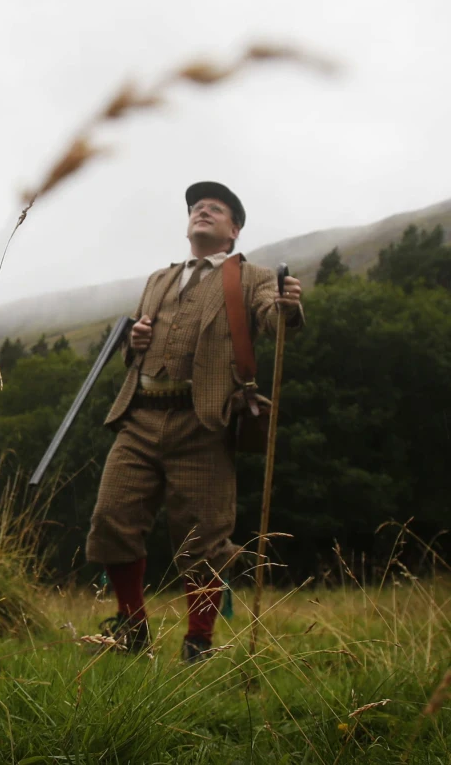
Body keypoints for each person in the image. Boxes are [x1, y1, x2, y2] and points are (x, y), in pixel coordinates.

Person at [85, 181, 304, 662]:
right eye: (197, 207)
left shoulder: (251, 276)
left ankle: (198, 643)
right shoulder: (158, 280)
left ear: (234, 229)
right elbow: (134, 347)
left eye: (216, 209)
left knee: (203, 538)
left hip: (203, 422)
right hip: (139, 416)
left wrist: (288, 304)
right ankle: (132, 629)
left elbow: (274, 318)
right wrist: (136, 339)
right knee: (111, 520)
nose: (202, 211)